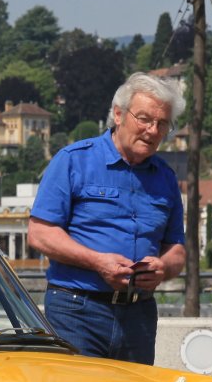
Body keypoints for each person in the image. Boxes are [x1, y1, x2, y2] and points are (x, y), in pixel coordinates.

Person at [28, 72, 187, 363]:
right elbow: (40, 234)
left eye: (162, 123)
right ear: (118, 114)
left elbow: (177, 249)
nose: (153, 131)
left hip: (139, 316)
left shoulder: (166, 178)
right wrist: (97, 262)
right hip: (76, 311)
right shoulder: (74, 160)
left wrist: (163, 267)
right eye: (144, 119)